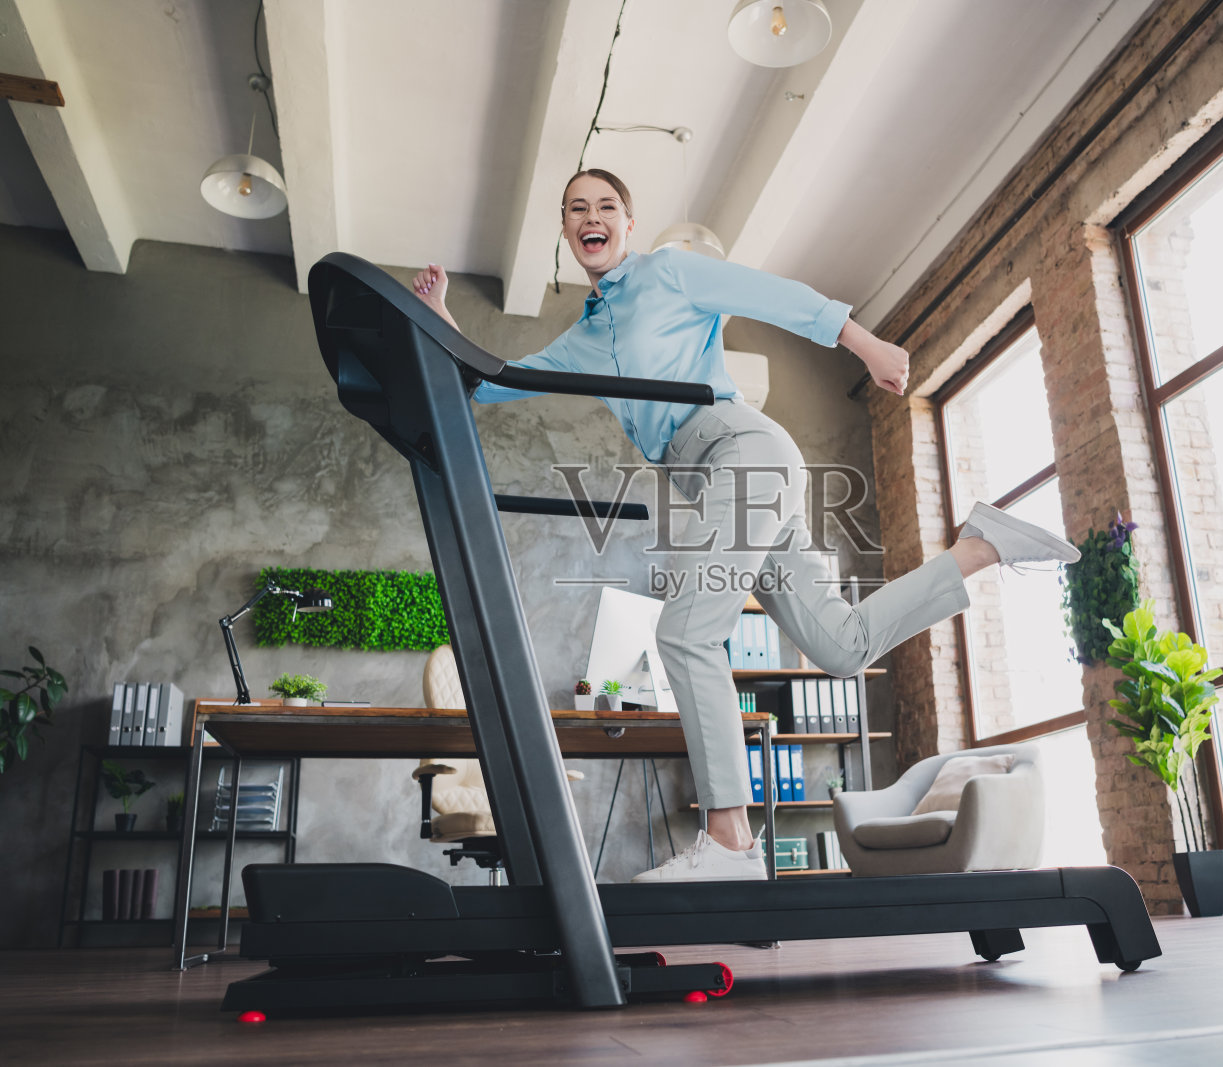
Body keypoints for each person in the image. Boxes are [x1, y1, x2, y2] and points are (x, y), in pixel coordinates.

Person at [410, 168, 1078, 883]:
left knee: (685, 633)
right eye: (577, 209)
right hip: (724, 478)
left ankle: (730, 842)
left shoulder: (668, 272)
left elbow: (772, 295)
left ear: (629, 225)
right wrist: (439, 315)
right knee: (842, 646)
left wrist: (867, 345)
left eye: (606, 206)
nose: (591, 216)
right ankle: (980, 547)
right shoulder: (586, 336)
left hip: (740, 451)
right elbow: (493, 381)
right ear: (568, 230)